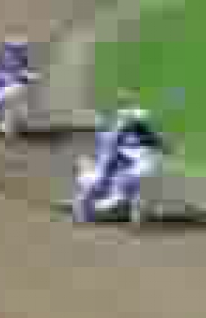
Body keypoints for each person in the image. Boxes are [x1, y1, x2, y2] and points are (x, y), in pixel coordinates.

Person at [73, 89, 170, 222]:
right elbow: (109, 156)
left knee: (123, 182)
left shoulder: (137, 135)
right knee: (102, 181)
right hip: (112, 170)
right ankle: (91, 206)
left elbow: (155, 142)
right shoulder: (115, 137)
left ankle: (129, 207)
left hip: (126, 168)